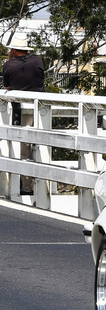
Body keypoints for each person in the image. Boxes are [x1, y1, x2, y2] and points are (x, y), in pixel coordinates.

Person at [3, 33, 45, 195]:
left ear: (13, 50)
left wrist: (9, 59)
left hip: (19, 110)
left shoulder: (8, 65)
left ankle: (26, 188)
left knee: (23, 149)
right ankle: (36, 185)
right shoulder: (38, 60)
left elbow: (7, 87)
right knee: (36, 147)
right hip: (39, 109)